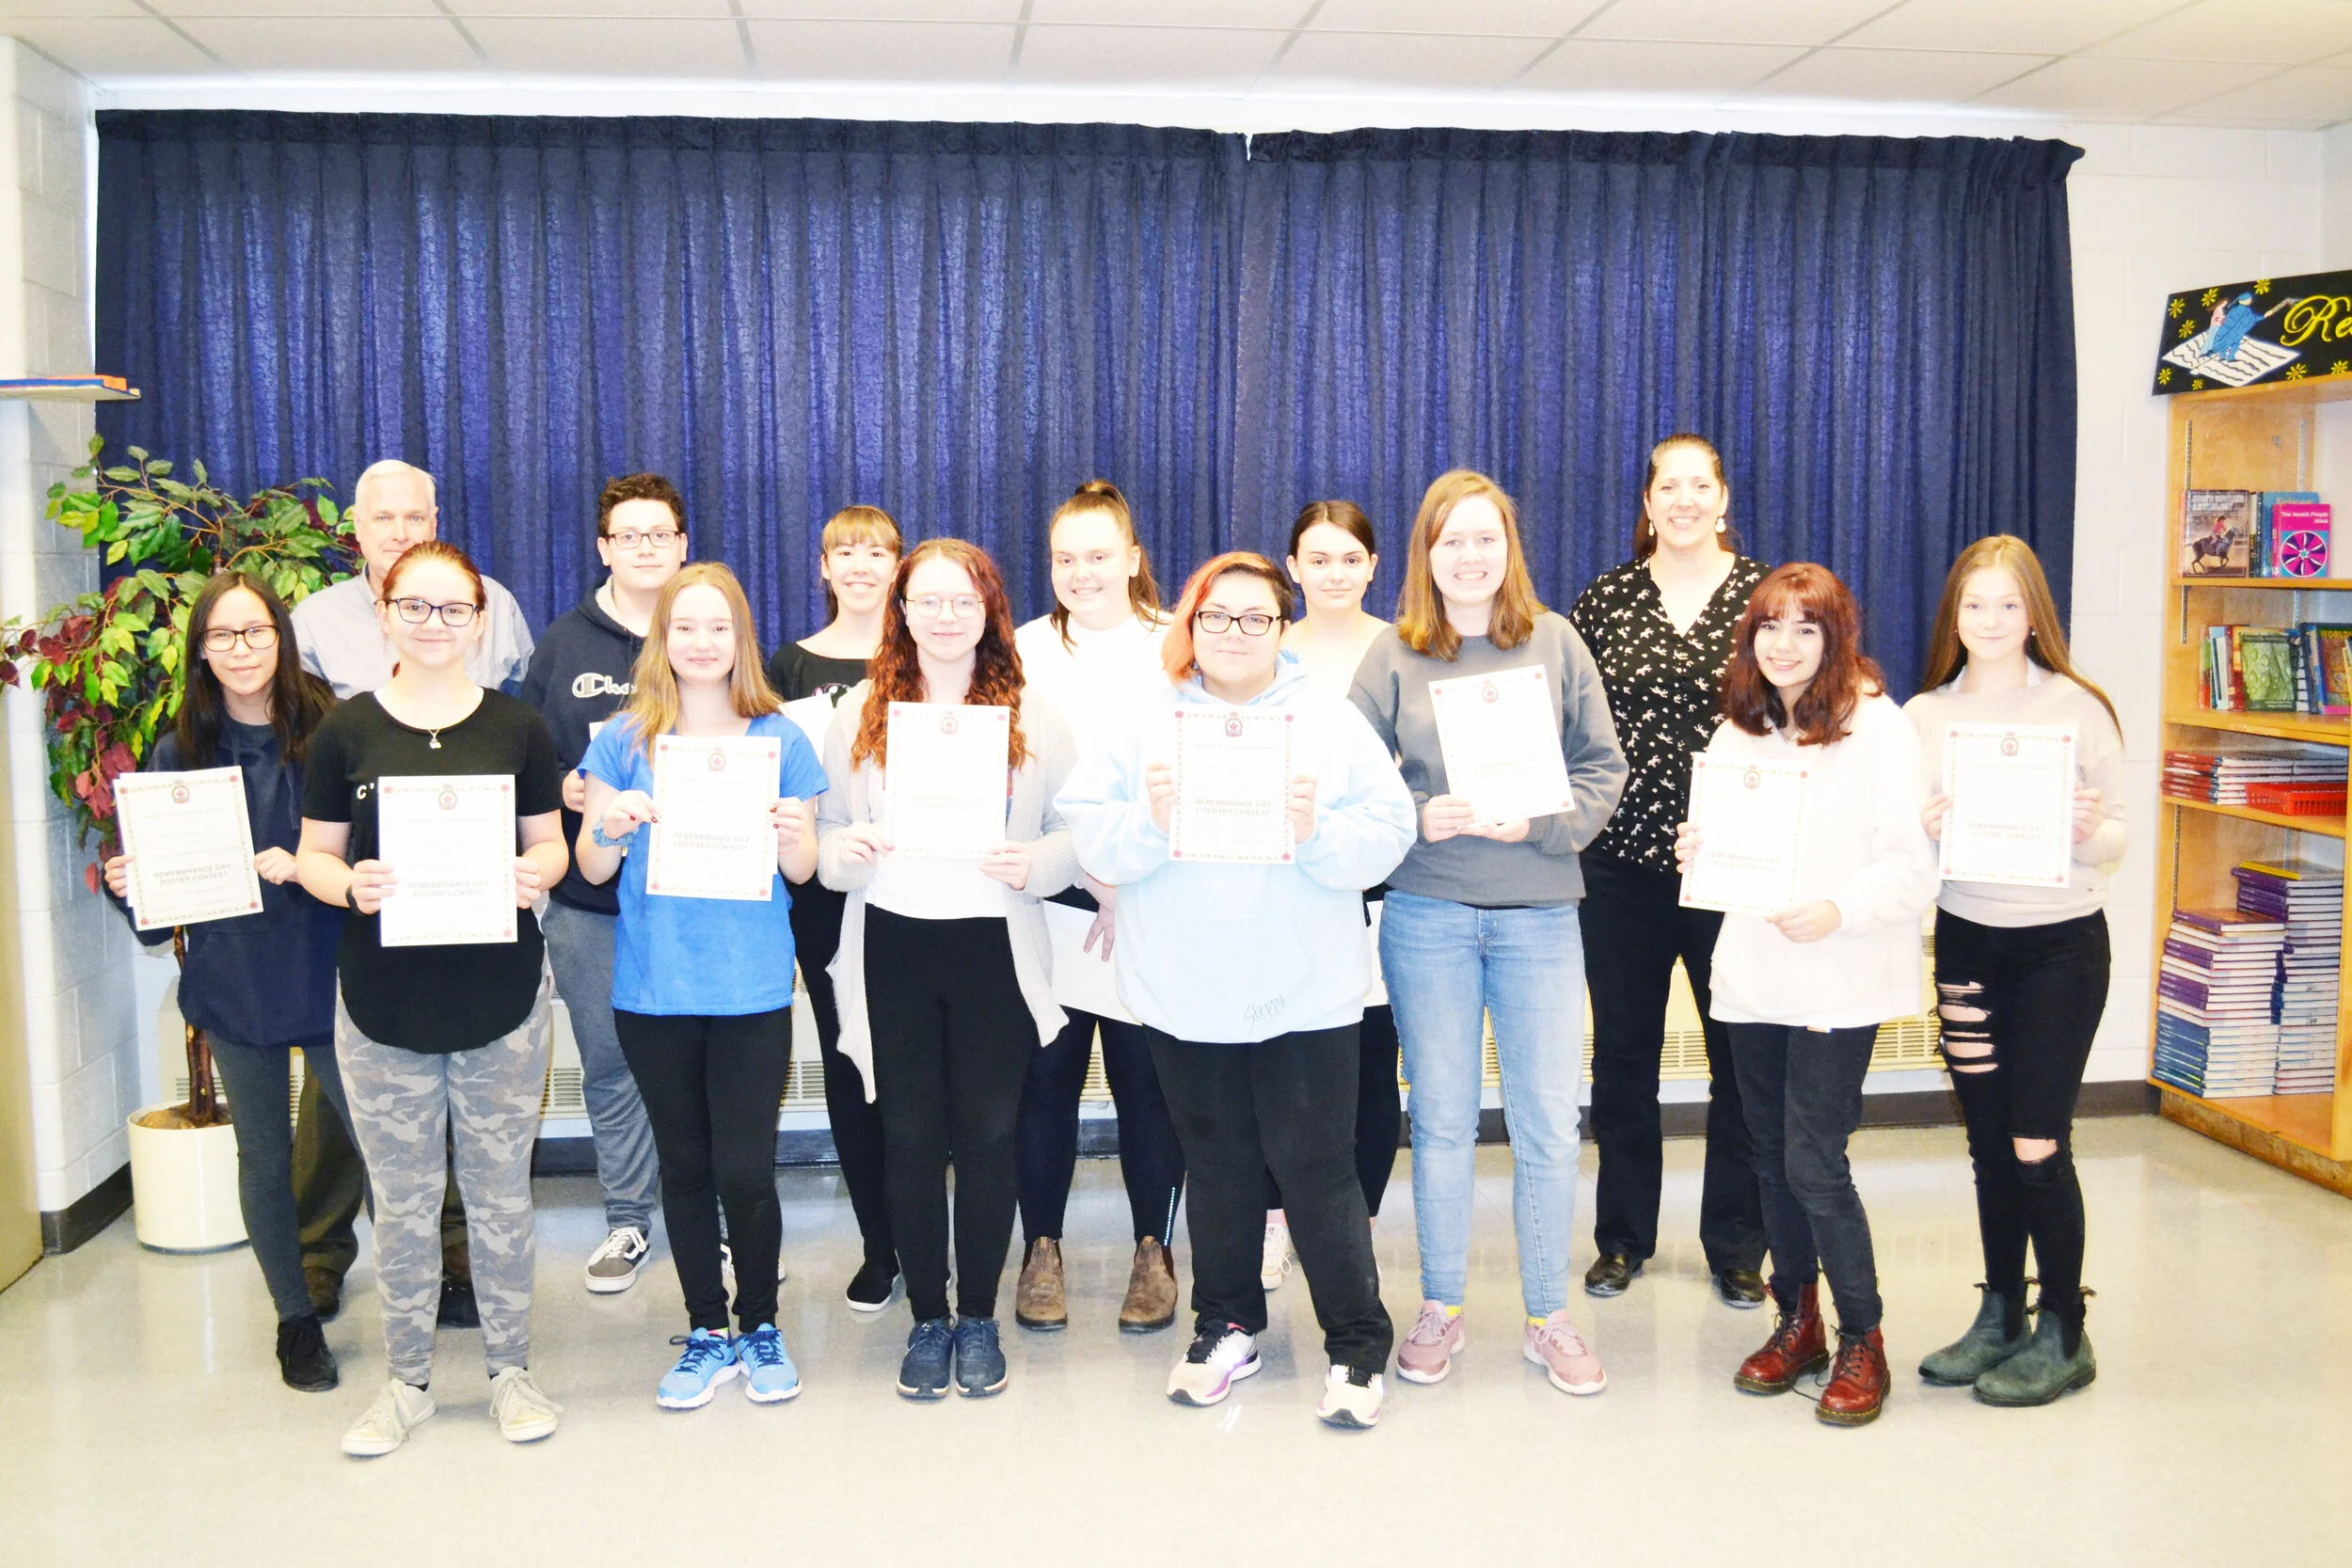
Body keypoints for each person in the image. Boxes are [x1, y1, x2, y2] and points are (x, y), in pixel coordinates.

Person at [1059, 552, 1415, 1428]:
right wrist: (1152, 819)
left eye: (1255, 617)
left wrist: (1315, 828)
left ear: (1281, 629)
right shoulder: (1145, 721)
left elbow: (1390, 829)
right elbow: (1092, 834)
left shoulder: (1326, 721)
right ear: (1191, 622)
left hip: (1305, 988)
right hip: (1187, 987)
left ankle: (1357, 1344)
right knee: (1214, 1165)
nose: (1234, 633)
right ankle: (1225, 1326)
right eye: (1217, 616)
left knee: (1315, 1169)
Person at [1349, 469, 1628, 1398]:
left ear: (1508, 548)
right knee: (1440, 1120)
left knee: (1549, 1120)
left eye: (1485, 538)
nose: (1468, 555)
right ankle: (1440, 1306)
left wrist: (1541, 822)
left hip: (1541, 913)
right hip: (1427, 912)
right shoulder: (1391, 654)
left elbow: (1602, 764)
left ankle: (1549, 1312)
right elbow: (1353, 780)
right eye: (1449, 539)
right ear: (1426, 554)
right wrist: (1414, 815)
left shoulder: (1553, 641)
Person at [294, 541, 568, 1456]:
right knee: (403, 1202)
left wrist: (538, 869)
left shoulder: (518, 727)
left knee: (500, 1199)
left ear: (480, 620)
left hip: (500, 998)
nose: (435, 623)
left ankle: (509, 1372)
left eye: (453, 609)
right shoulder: (345, 732)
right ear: (385, 612)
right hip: (382, 1004)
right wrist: (348, 885)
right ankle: (405, 1384)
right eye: (416, 606)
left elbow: (552, 846)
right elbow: (314, 854)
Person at [817, 539, 1081, 1401]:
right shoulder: (861, 708)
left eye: (962, 601)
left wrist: (1034, 862)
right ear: (900, 610)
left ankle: (978, 1316)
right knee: (910, 1137)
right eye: (925, 600)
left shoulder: (1033, 715)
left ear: (989, 611)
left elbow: (1075, 837)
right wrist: (845, 850)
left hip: (992, 949)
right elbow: (822, 848)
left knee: (990, 1136)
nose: (943, 616)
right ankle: (927, 1316)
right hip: (893, 942)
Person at [1677, 562, 1935, 1429]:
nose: (1784, 645)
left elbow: (1911, 865)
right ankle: (1798, 1321)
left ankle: (1865, 1335)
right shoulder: (1738, 731)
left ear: (1835, 639)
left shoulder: (1879, 728)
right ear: (1750, 638)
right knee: (1766, 1155)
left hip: (1839, 973)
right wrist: (1698, 851)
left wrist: (1838, 909)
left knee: (1814, 1161)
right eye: (1770, 627)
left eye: (1806, 629)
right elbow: (1726, 854)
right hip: (1754, 977)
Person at [288, 458, 534, 1327]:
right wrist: (340, 876)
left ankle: (461, 1262)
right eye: (381, 517)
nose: (397, 529)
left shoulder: (492, 603)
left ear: (436, 515)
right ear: (353, 527)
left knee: (477, 1090)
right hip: (363, 893)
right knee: (348, 1086)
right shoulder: (313, 622)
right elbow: (307, 753)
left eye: (413, 514)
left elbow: (510, 734)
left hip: (475, 899)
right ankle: (322, 1254)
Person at [577, 563, 828, 1410]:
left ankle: (761, 1324)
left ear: (740, 638)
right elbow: (590, 864)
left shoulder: (780, 739)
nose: (701, 642)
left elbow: (805, 868)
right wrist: (610, 823)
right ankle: (707, 1332)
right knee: (683, 1170)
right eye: (684, 626)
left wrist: (797, 832)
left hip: (751, 989)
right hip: (655, 991)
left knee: (747, 1172)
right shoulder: (621, 740)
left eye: (718, 627)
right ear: (663, 637)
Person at [102, 572, 347, 1392]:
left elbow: (375, 843)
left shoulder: (334, 728)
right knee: (264, 1156)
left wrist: (314, 866)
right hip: (236, 975)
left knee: (383, 1141)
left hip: (332, 965)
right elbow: (160, 896)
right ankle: (294, 1319)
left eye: (256, 631)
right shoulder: (179, 751)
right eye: (222, 636)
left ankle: (424, 1291)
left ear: (281, 634)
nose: (241, 650)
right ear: (201, 651)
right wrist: (132, 882)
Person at [1906, 537, 2123, 1406]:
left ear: (2034, 613)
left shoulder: (2079, 708)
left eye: (2005, 605)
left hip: (2059, 949)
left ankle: (2064, 1327)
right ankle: (1999, 1313)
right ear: (1952, 615)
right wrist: (1922, 824)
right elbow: (1905, 847)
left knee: (2037, 1143)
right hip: (1967, 943)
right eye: (1972, 606)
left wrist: (2086, 828)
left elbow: (2116, 840)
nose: (1988, 622)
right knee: (1989, 1145)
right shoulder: (1924, 716)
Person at [1568, 434, 1771, 1307]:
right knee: (1623, 1058)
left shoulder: (1767, 598)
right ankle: (1623, 1238)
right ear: (1646, 502)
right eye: (1667, 485)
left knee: (1741, 1059)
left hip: (1736, 867)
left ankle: (1736, 1244)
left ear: (1723, 498)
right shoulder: (1606, 600)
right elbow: (1571, 726)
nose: (1683, 499)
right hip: (1621, 865)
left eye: (1700, 484)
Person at [1009, 481, 1186, 1335]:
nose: (1081, 572)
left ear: (1134, 560)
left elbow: (1187, 773)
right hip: (1050, 897)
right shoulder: (1021, 648)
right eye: (1065, 558)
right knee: (1042, 1082)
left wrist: (1127, 873)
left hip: (1152, 896)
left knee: (1147, 1085)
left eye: (1098, 556)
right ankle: (1040, 1248)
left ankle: (1154, 1249)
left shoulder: (1176, 645)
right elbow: (1016, 777)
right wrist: (1087, 869)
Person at [519, 473, 683, 1296]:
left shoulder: (707, 631)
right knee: (612, 1062)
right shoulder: (564, 644)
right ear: (604, 548)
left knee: (703, 1064)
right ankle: (628, 1219)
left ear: (682, 545)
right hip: (591, 905)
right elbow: (524, 759)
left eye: (660, 534)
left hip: (696, 897)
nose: (646, 547)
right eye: (630, 535)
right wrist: (563, 786)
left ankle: (714, 1222)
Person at [1258, 500, 1402, 1293]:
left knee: (1371, 1062)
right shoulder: (1269, 649)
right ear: (1294, 568)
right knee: (1286, 1058)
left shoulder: (1406, 648)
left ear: (1374, 566)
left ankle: (1358, 1225)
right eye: (1318, 558)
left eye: (1350, 558)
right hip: (1283, 883)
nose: (1335, 572)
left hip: (1381, 882)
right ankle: (1278, 1223)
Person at [766, 504, 905, 1310]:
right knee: (854, 1067)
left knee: (926, 1074)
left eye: (876, 550)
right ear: (823, 567)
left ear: (899, 565)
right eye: (843, 551)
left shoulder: (927, 654)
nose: (859, 564)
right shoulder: (787, 667)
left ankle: (930, 1230)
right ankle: (878, 1246)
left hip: (922, 896)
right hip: (823, 899)